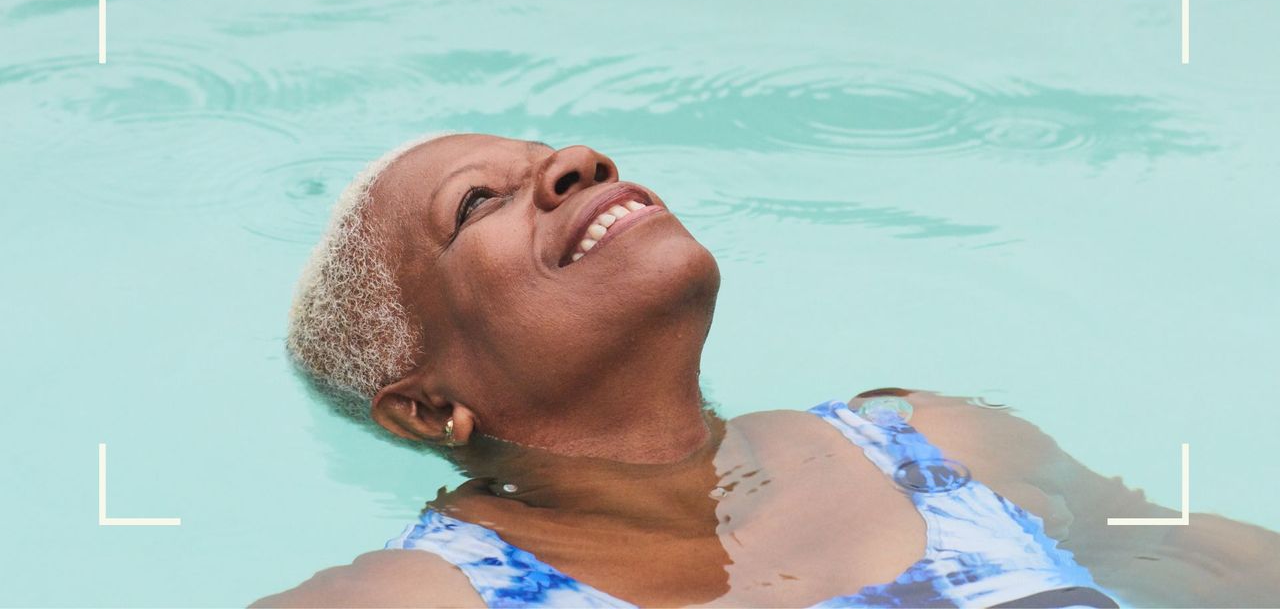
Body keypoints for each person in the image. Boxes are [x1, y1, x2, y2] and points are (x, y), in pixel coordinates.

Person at [253, 133, 1280, 608]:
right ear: (429, 407)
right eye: (479, 203)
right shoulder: (426, 599)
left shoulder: (933, 447)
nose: (576, 162)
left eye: (556, 159)